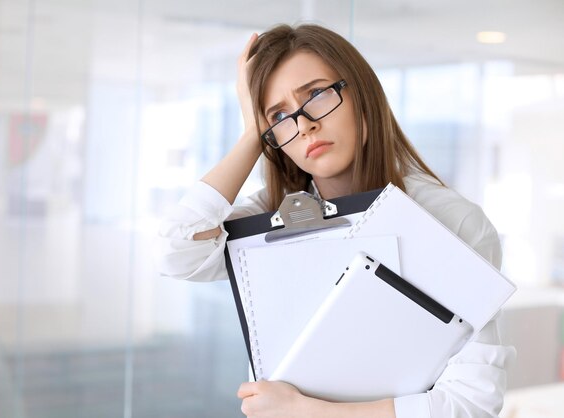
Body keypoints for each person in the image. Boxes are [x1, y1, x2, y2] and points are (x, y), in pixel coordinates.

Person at [158, 23, 515, 418]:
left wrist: (305, 410)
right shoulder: (271, 219)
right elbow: (178, 252)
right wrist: (249, 136)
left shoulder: (450, 221)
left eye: (315, 94)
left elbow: (472, 403)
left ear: (361, 95)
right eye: (278, 115)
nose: (304, 124)